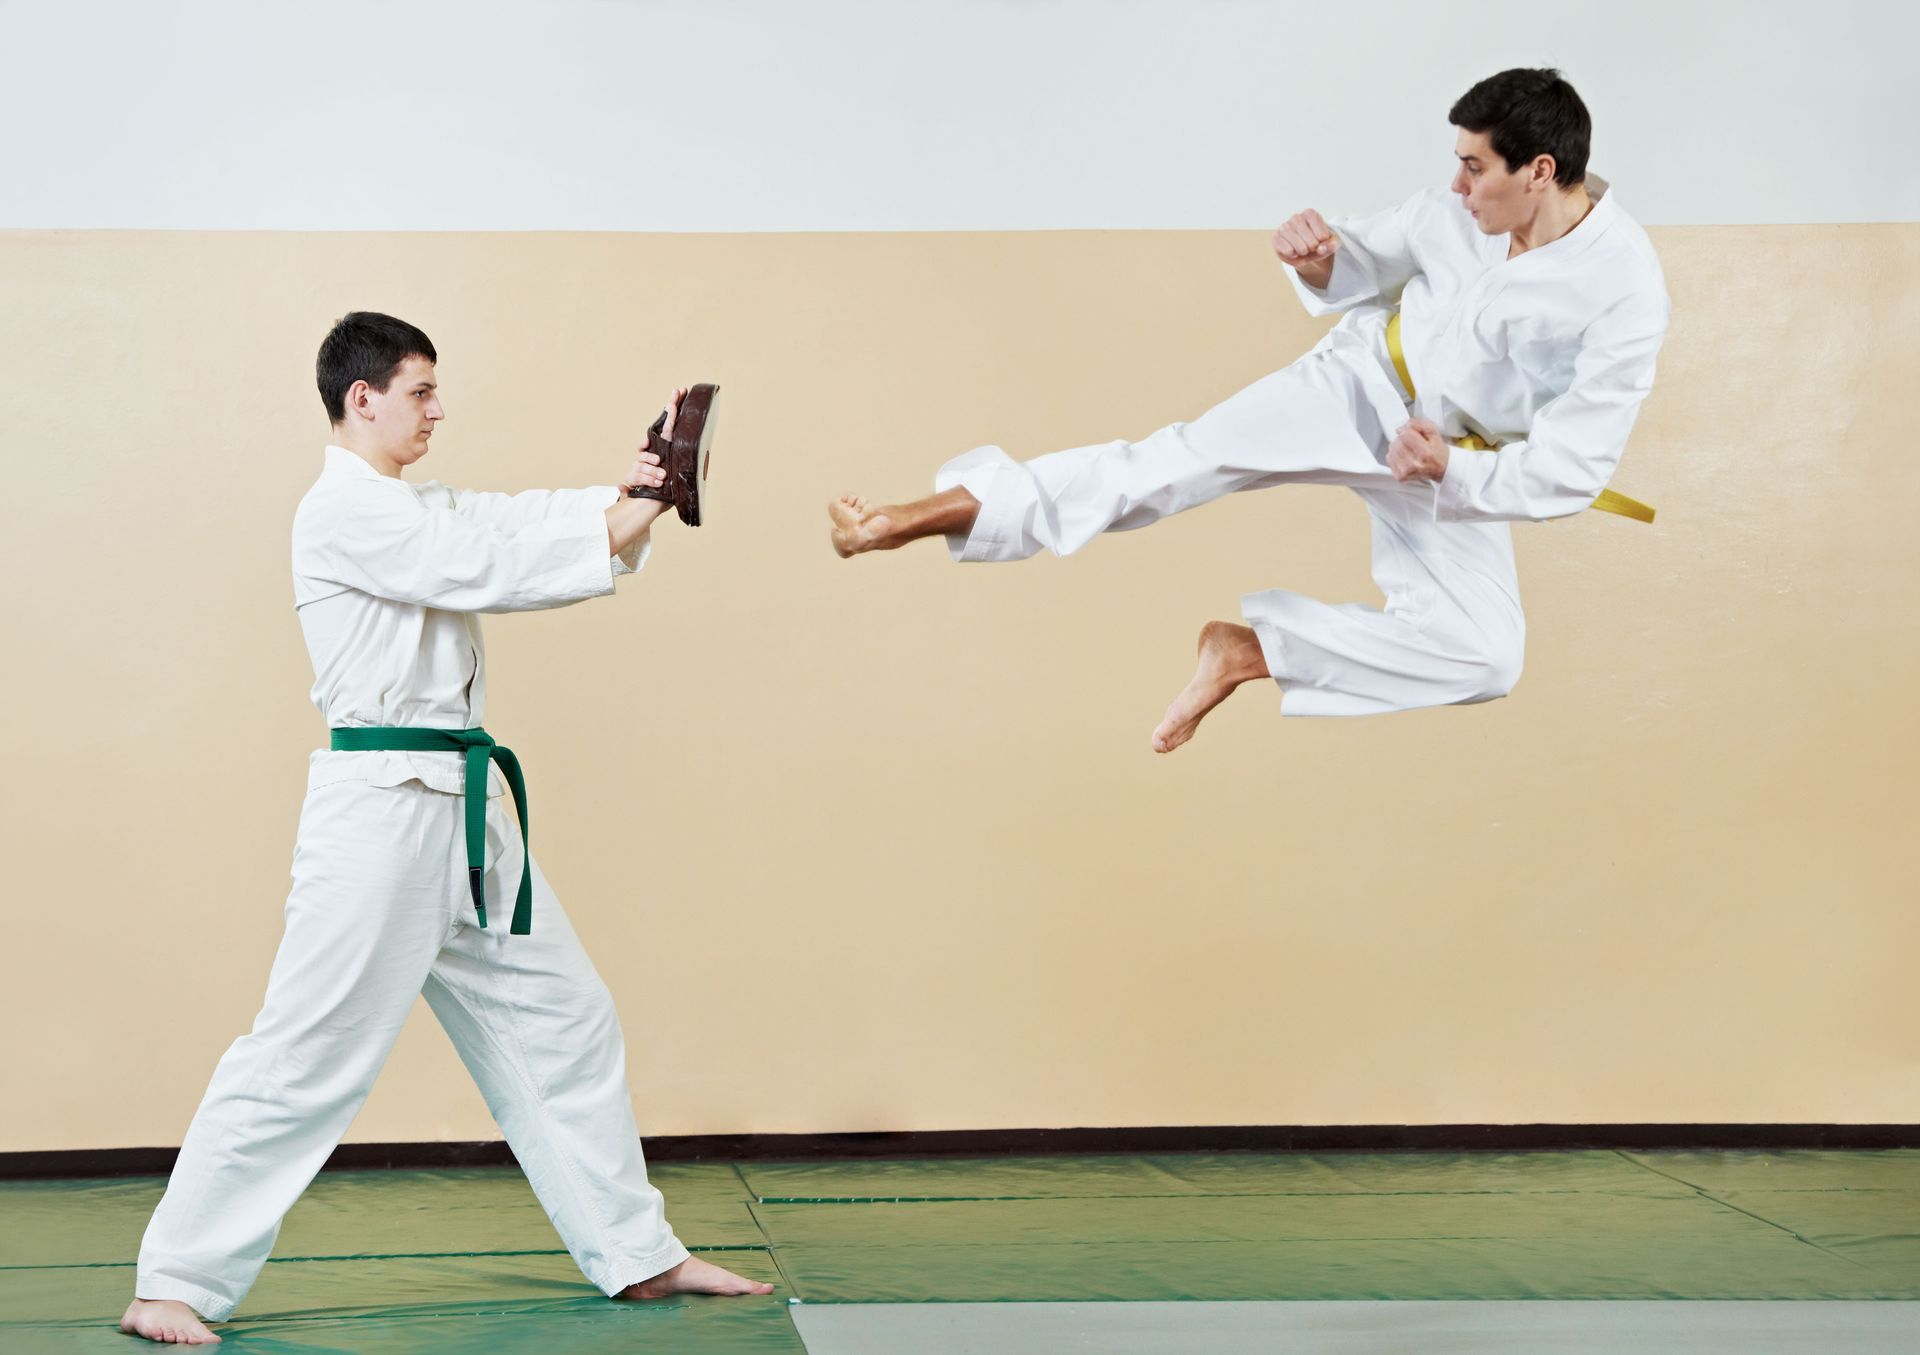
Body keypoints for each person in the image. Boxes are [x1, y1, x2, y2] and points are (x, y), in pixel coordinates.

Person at [121, 312, 769, 1345]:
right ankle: (172, 1280)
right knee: (306, 1051)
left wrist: (634, 490)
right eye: (419, 391)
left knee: (566, 1019)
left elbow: (508, 522)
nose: (435, 410)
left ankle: (636, 1253)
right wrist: (643, 504)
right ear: (362, 397)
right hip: (381, 815)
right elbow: (481, 565)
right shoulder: (342, 512)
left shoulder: (417, 504)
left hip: (464, 808)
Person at [828, 68, 1670, 752]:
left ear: (1540, 172)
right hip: (1359, 387)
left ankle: (1249, 651)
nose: (1457, 184)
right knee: (1164, 467)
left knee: (1486, 656)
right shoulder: (1454, 211)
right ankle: (908, 518)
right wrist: (1316, 257)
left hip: (1451, 465)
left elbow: (1575, 468)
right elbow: (1364, 259)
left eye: (1475, 168)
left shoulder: (1623, 291)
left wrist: (1451, 467)